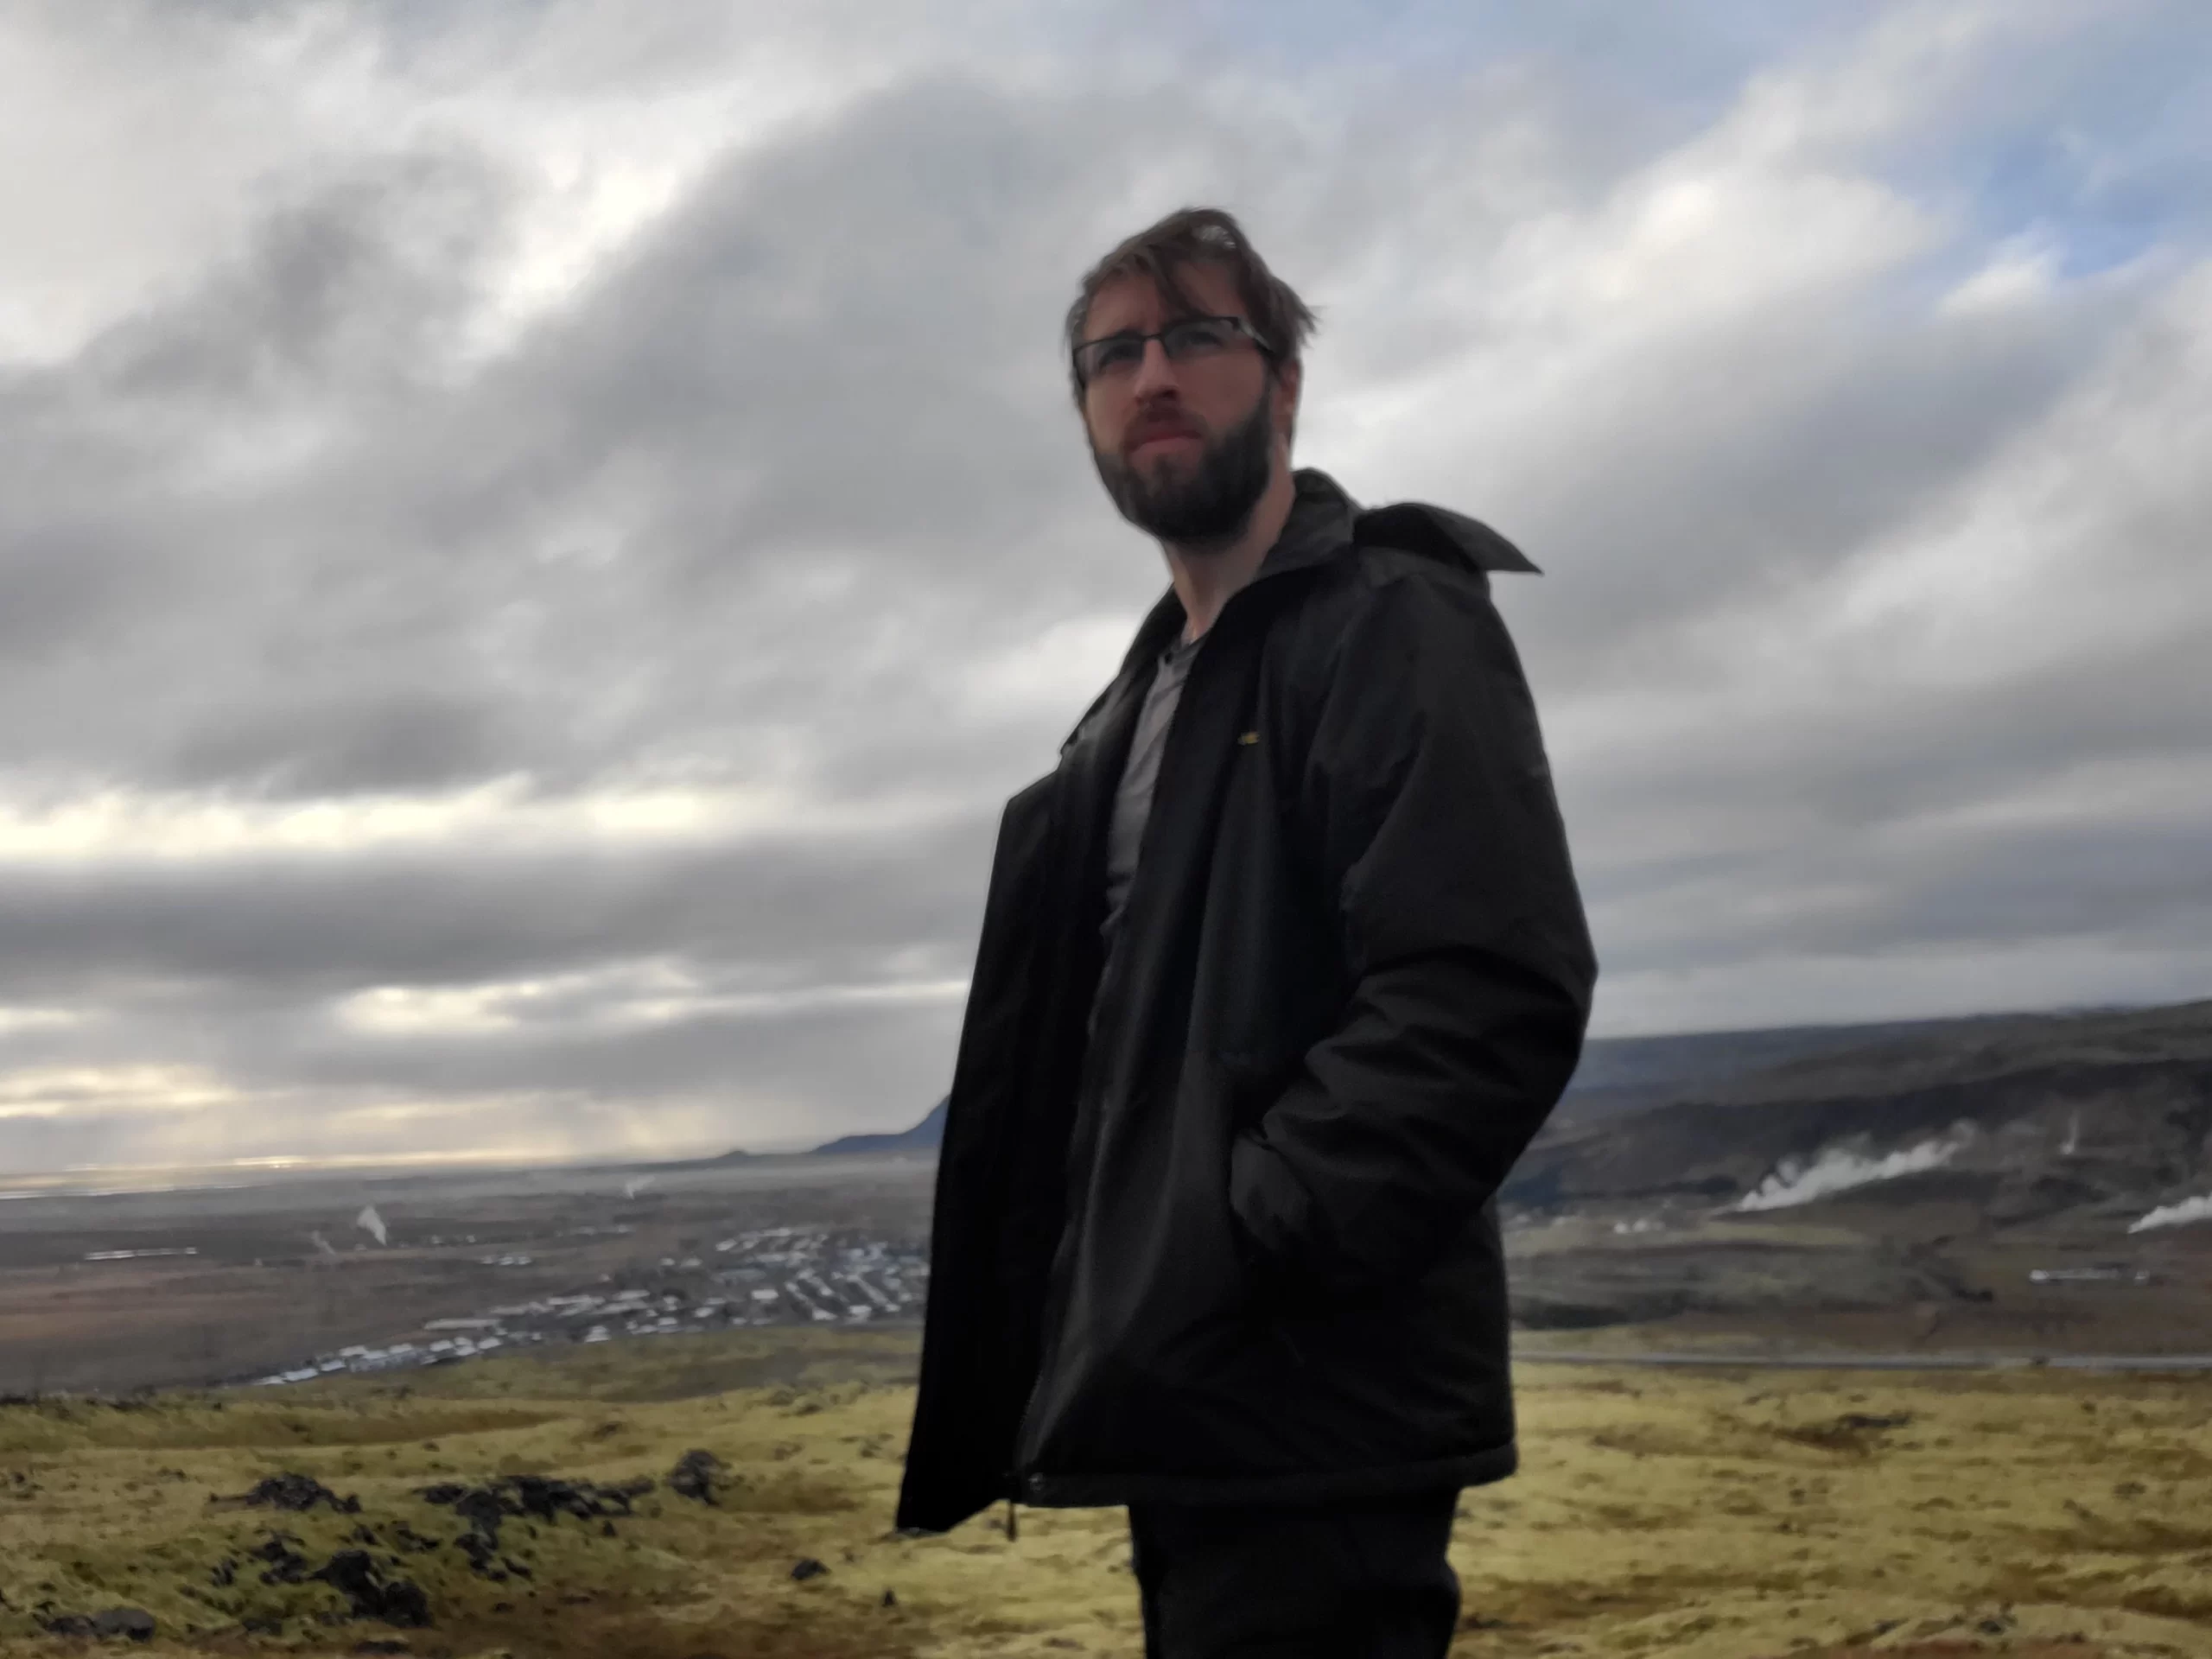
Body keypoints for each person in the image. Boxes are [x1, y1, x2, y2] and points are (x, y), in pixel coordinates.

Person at [897, 206, 1596, 1658]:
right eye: (1111, 354)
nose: (1152, 374)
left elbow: (1482, 987)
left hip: (1313, 1403)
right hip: (1199, 1393)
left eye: (1199, 335)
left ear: (1283, 383)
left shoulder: (1392, 615)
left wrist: (1235, 1240)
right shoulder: (1141, 702)